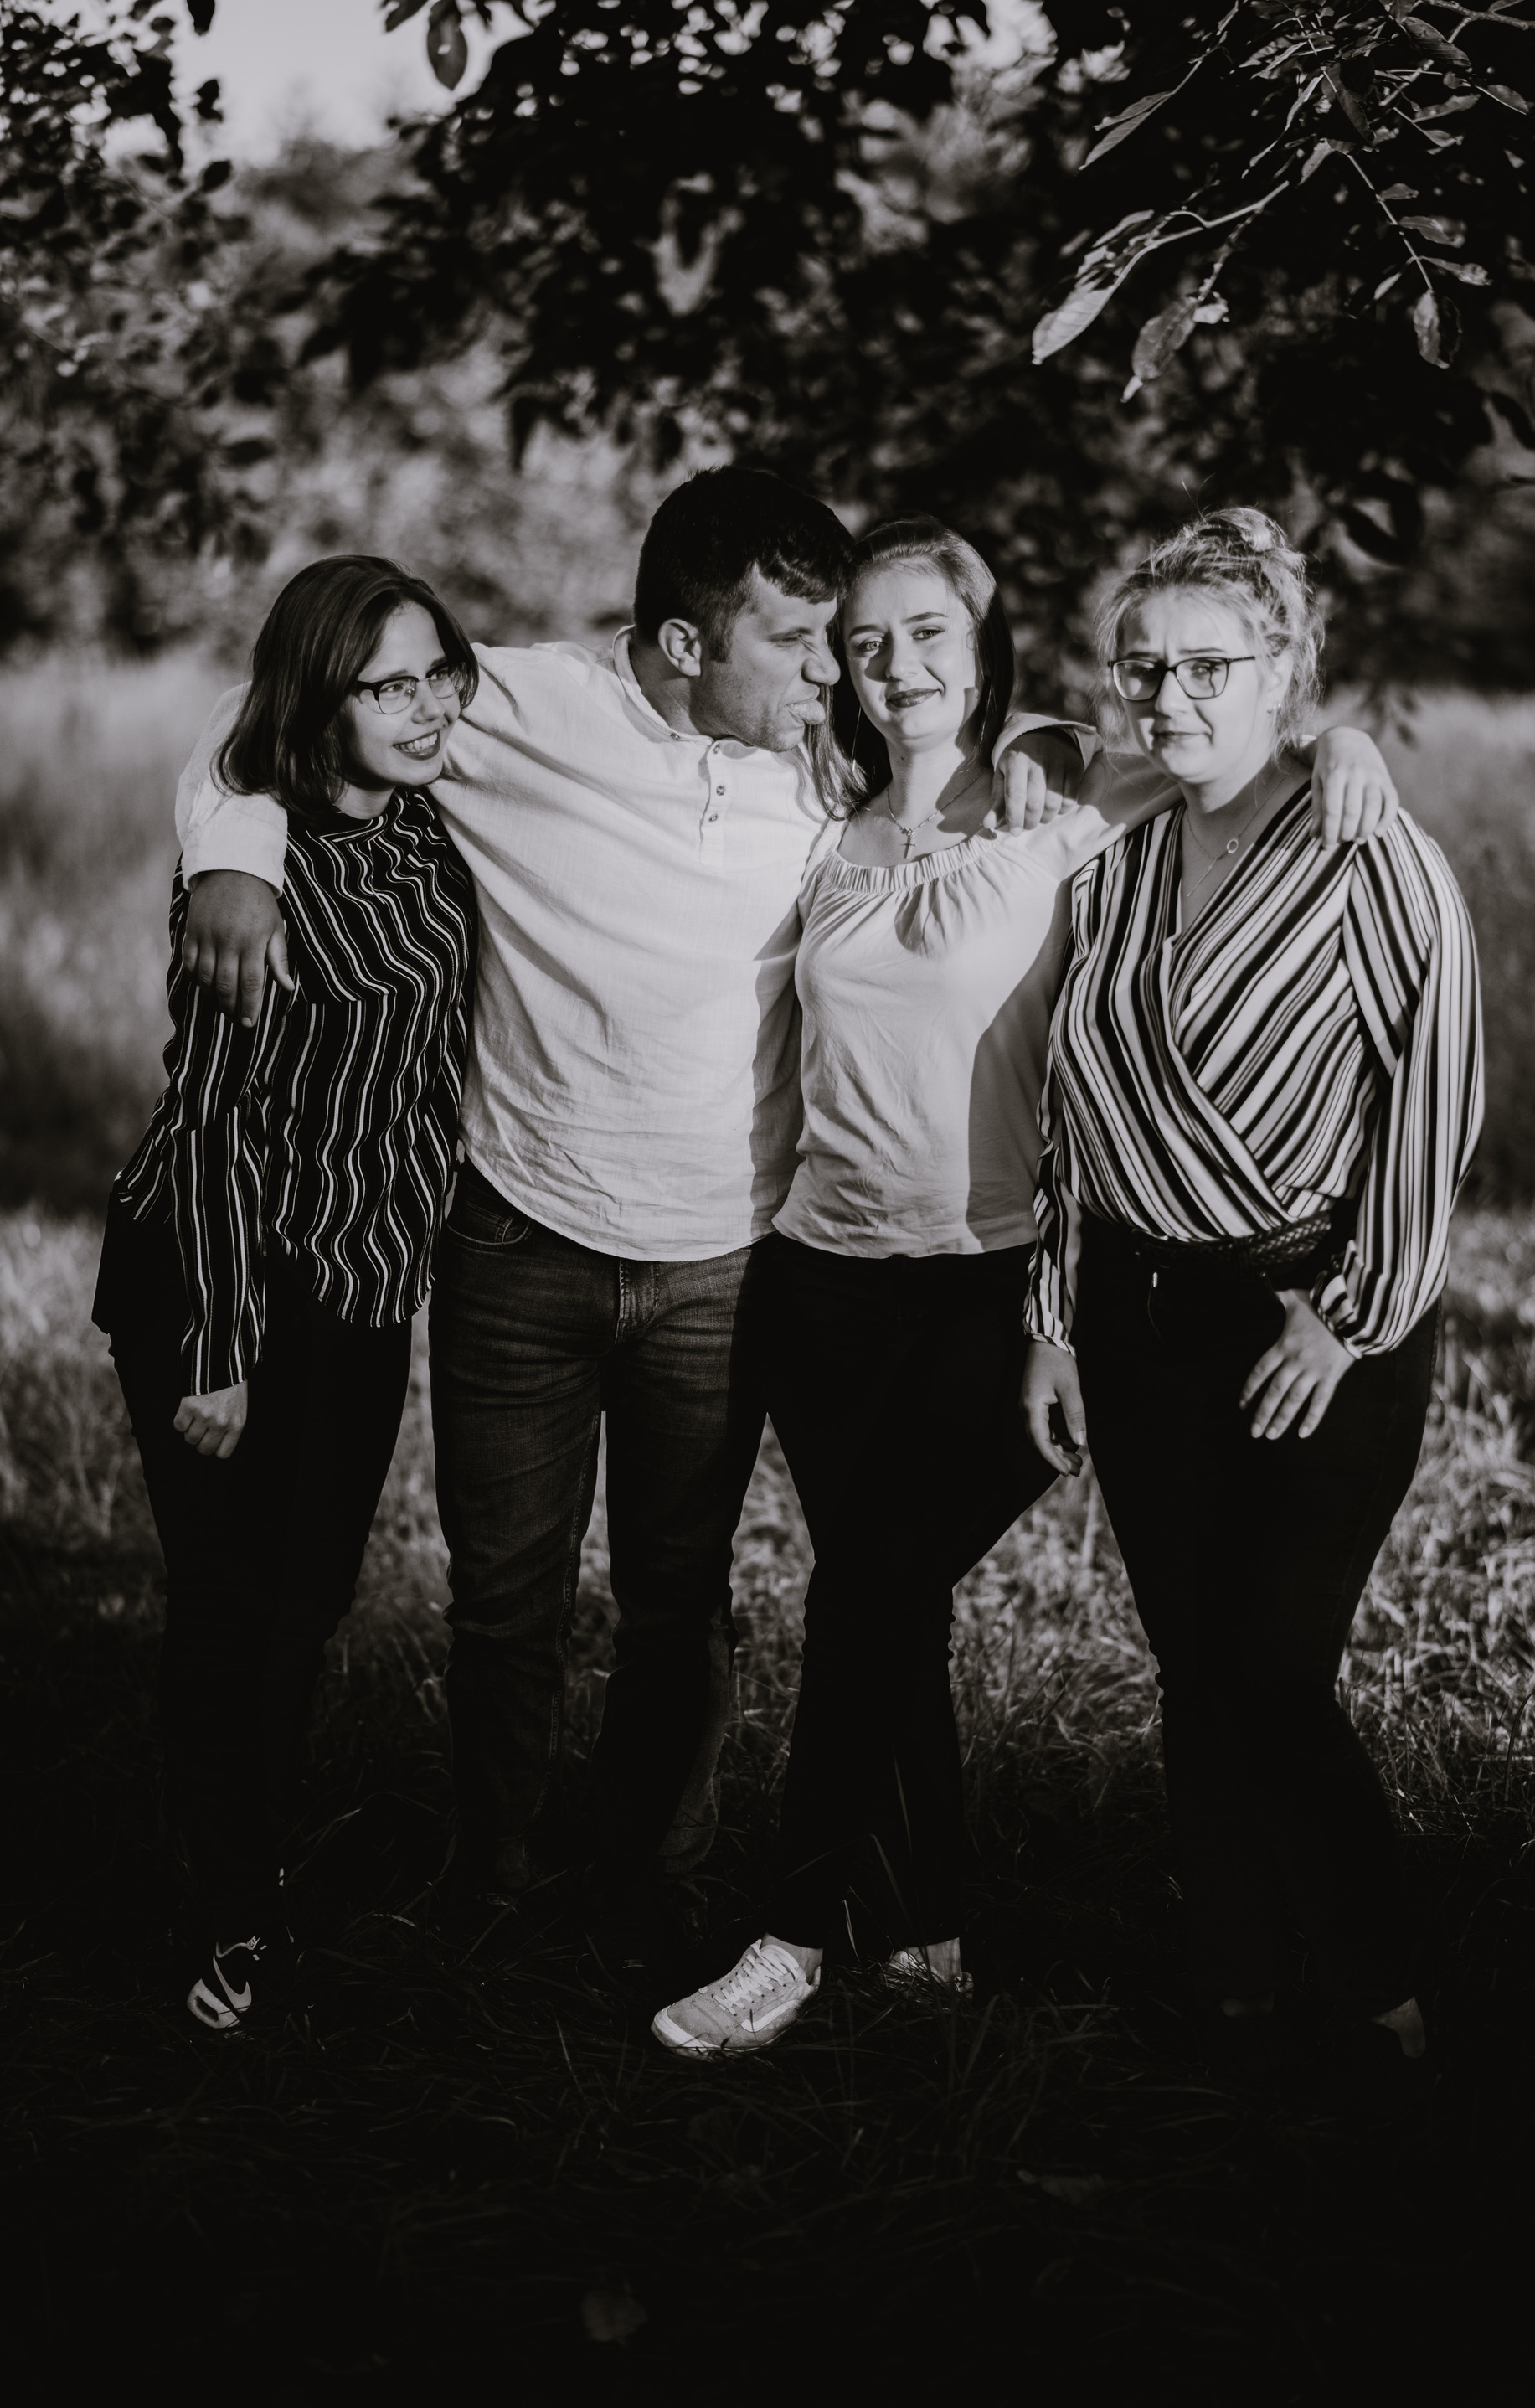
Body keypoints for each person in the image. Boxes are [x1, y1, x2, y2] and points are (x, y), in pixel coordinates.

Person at [168, 471, 1088, 1971]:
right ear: (678, 643)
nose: (833, 672)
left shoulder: (832, 747)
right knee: (503, 1603)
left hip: (725, 1260)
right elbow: (270, 702)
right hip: (515, 1239)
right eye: (796, 640)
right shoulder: (523, 710)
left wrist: (1051, 742)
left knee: (680, 1602)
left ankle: (652, 1884)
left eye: (839, 641)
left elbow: (991, 731)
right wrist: (235, 856)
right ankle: (490, 1883)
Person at [649, 516, 1401, 2059]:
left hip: (993, 1286)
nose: (896, 665)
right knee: (887, 1596)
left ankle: (794, 1933)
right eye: (865, 642)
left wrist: (1348, 743)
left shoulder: (1068, 799)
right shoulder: (824, 817)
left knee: (868, 1581)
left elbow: (1235, 745)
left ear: (986, 646)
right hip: (820, 1280)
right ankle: (923, 1932)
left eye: (929, 631)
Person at [1020, 508, 1481, 2087]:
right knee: (1194, 1669)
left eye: (1210, 666)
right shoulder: (1111, 856)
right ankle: (1227, 1990)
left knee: (1273, 1668)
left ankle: (1375, 1987)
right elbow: (1068, 1116)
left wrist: (1348, 1314)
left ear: (1285, 670)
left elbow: (1437, 1098)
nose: (1172, 697)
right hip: (1139, 1318)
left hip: (1317, 1320)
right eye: (1143, 668)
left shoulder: (1372, 851)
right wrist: (1051, 1321)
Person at [93, 556, 478, 2031]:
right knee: (231, 1600)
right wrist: (218, 1347)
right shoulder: (250, 889)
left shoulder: (431, 829)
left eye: (439, 674)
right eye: (389, 685)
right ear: (322, 698)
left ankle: (245, 1853)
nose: (427, 707)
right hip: (221, 1281)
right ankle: (230, 1918)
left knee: (307, 1601)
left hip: (363, 1280)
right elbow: (211, 1122)